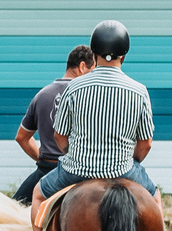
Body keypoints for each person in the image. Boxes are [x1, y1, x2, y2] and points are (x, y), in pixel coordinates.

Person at [33, 19, 160, 210]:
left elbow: (59, 136)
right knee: (156, 199)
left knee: (37, 196)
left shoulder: (74, 86)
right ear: (123, 55)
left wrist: (73, 155)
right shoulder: (139, 91)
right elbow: (146, 143)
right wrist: (130, 162)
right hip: (123, 170)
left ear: (94, 53)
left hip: (77, 170)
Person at [11, 43, 92, 202]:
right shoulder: (89, 96)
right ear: (82, 66)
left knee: (10, 211)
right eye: (93, 70)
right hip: (80, 174)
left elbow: (21, 137)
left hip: (46, 171)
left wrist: (41, 159)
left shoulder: (42, 95)